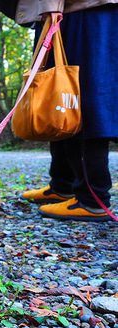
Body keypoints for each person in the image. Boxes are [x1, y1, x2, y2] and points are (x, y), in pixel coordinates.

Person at [13, 0, 117, 222]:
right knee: (56, 96)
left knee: (82, 97)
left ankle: (93, 199)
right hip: (66, 10)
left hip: (81, 10)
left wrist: (51, 3)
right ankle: (63, 184)